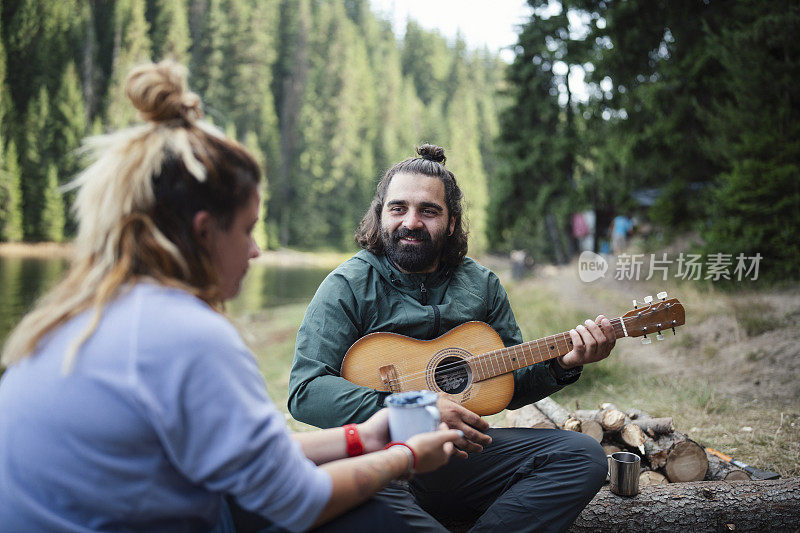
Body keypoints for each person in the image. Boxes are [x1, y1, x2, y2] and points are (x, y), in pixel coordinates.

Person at [0, 62, 461, 533]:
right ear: (205, 233)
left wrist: (361, 436)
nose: (256, 250)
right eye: (247, 230)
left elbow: (257, 457)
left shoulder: (78, 312)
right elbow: (299, 500)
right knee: (371, 518)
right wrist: (403, 455)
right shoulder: (190, 335)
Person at [289, 144, 616, 532]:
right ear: (380, 215)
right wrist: (416, 408)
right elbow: (306, 390)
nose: (410, 221)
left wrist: (563, 364)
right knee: (353, 488)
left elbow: (507, 384)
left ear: (451, 221)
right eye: (398, 208)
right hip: (383, 461)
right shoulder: (347, 285)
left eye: (428, 210)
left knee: (583, 455)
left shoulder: (482, 285)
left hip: (463, 459)